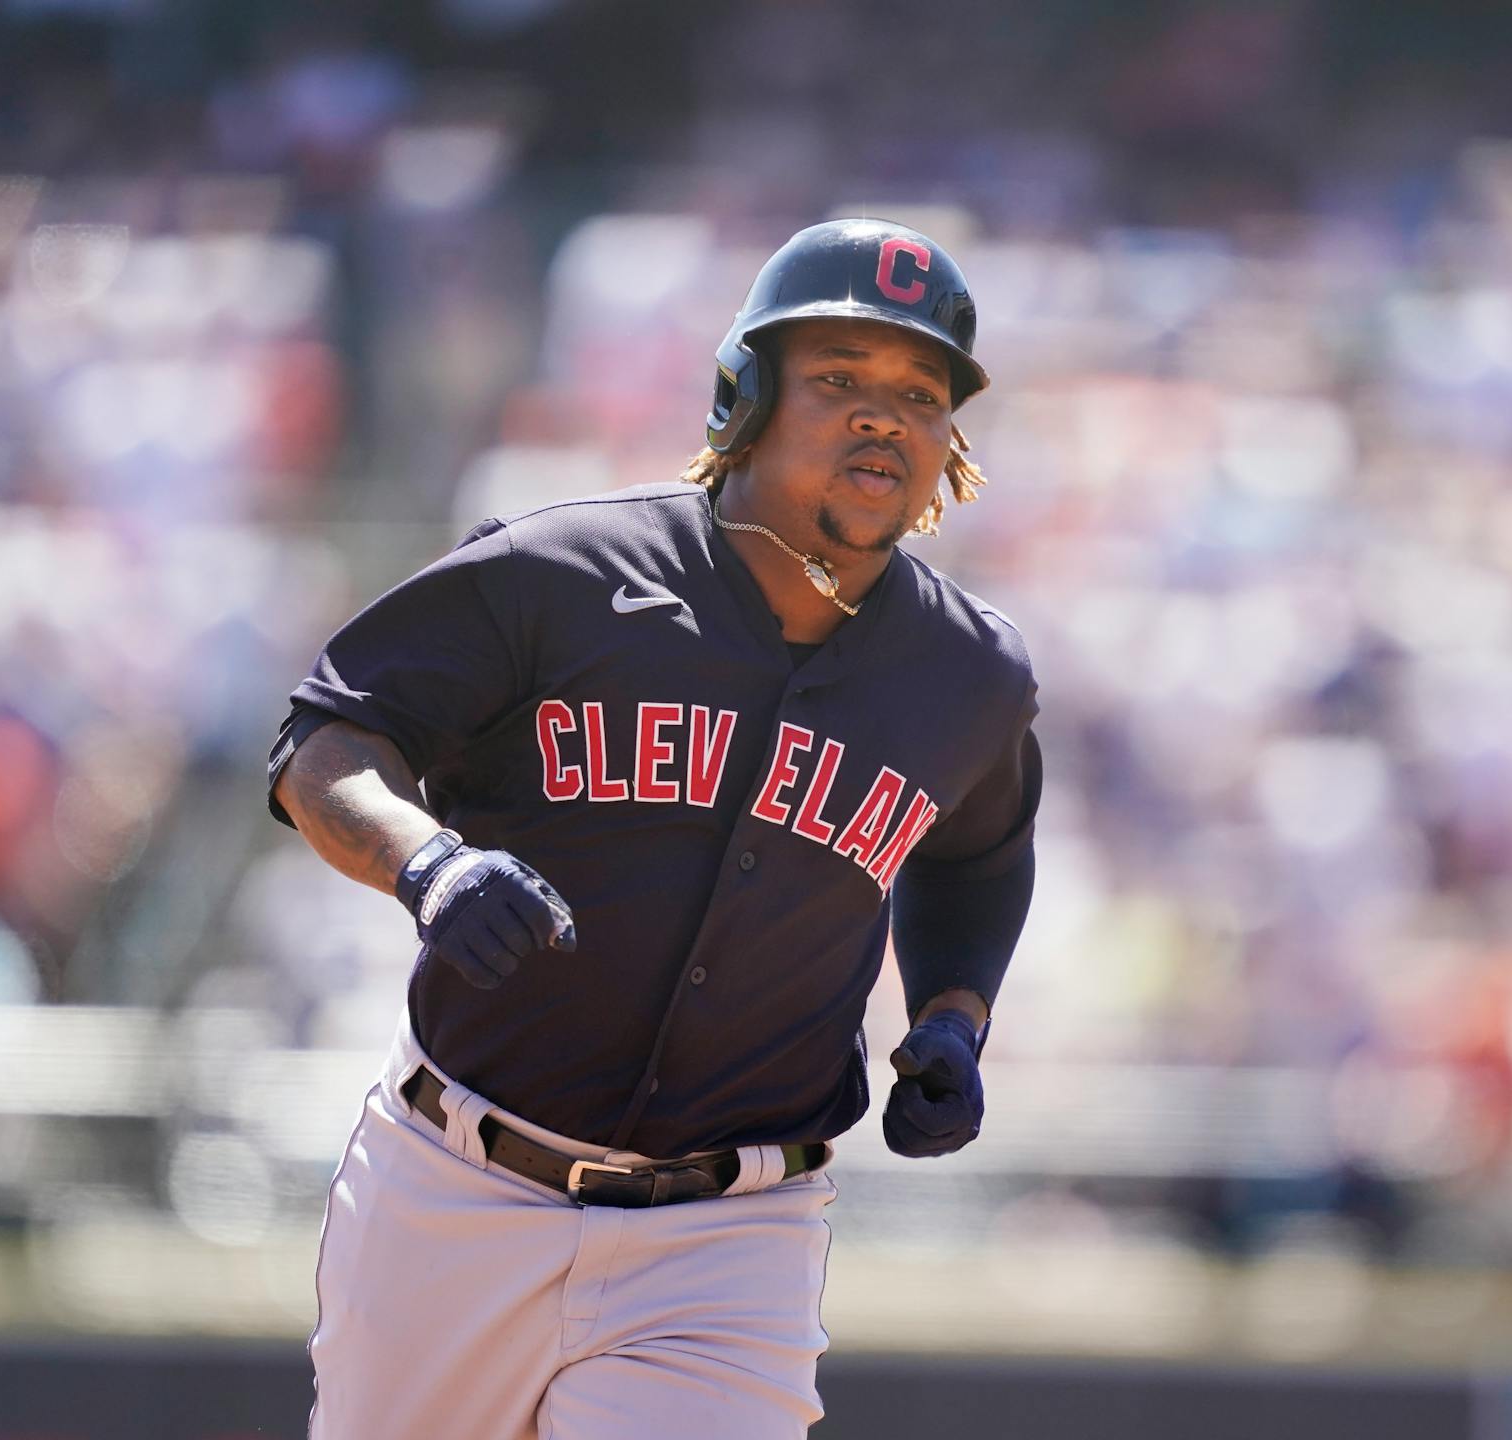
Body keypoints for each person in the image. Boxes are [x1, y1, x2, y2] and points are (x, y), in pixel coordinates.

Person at [265, 217, 1042, 1439]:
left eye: (920, 391)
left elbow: (980, 853)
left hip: (729, 1238)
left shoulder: (970, 675)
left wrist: (954, 1016)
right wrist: (429, 862)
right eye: (840, 378)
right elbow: (328, 747)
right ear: (746, 393)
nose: (885, 415)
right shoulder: (561, 572)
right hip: (458, 1188)